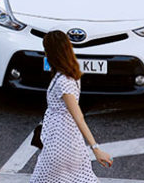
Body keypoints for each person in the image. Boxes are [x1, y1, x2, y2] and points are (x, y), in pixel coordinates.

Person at [30, 31, 113, 183]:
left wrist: (96, 149)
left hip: (59, 143)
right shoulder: (70, 75)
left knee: (41, 180)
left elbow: (78, 117)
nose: (45, 54)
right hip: (70, 141)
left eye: (46, 50)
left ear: (53, 53)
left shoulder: (64, 81)